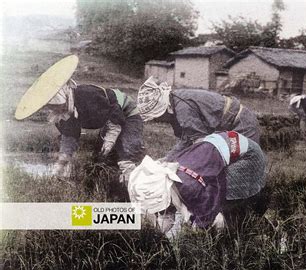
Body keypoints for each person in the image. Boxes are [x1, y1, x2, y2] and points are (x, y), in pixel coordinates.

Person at [15, 55, 144, 184]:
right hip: (107, 118)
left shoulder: (86, 95)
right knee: (102, 156)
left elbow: (114, 111)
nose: (58, 110)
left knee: (126, 151)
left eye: (59, 106)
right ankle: (111, 184)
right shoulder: (64, 113)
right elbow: (69, 136)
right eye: (53, 108)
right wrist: (62, 161)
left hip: (126, 113)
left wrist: (111, 138)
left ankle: (133, 184)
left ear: (64, 97)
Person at [136, 76, 262, 202]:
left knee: (237, 173)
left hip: (241, 124)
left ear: (163, 109)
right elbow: (187, 139)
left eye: (156, 117)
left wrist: (179, 166)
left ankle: (243, 213)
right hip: (228, 127)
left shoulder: (182, 109)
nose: (157, 120)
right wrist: (168, 159)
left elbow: (200, 146)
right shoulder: (175, 102)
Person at [128, 131, 266, 233]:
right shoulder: (167, 175)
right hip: (218, 147)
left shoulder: (189, 188)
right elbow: (167, 212)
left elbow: (213, 194)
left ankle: (249, 227)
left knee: (224, 209)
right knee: (196, 209)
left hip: (248, 156)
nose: (161, 212)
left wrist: (200, 225)